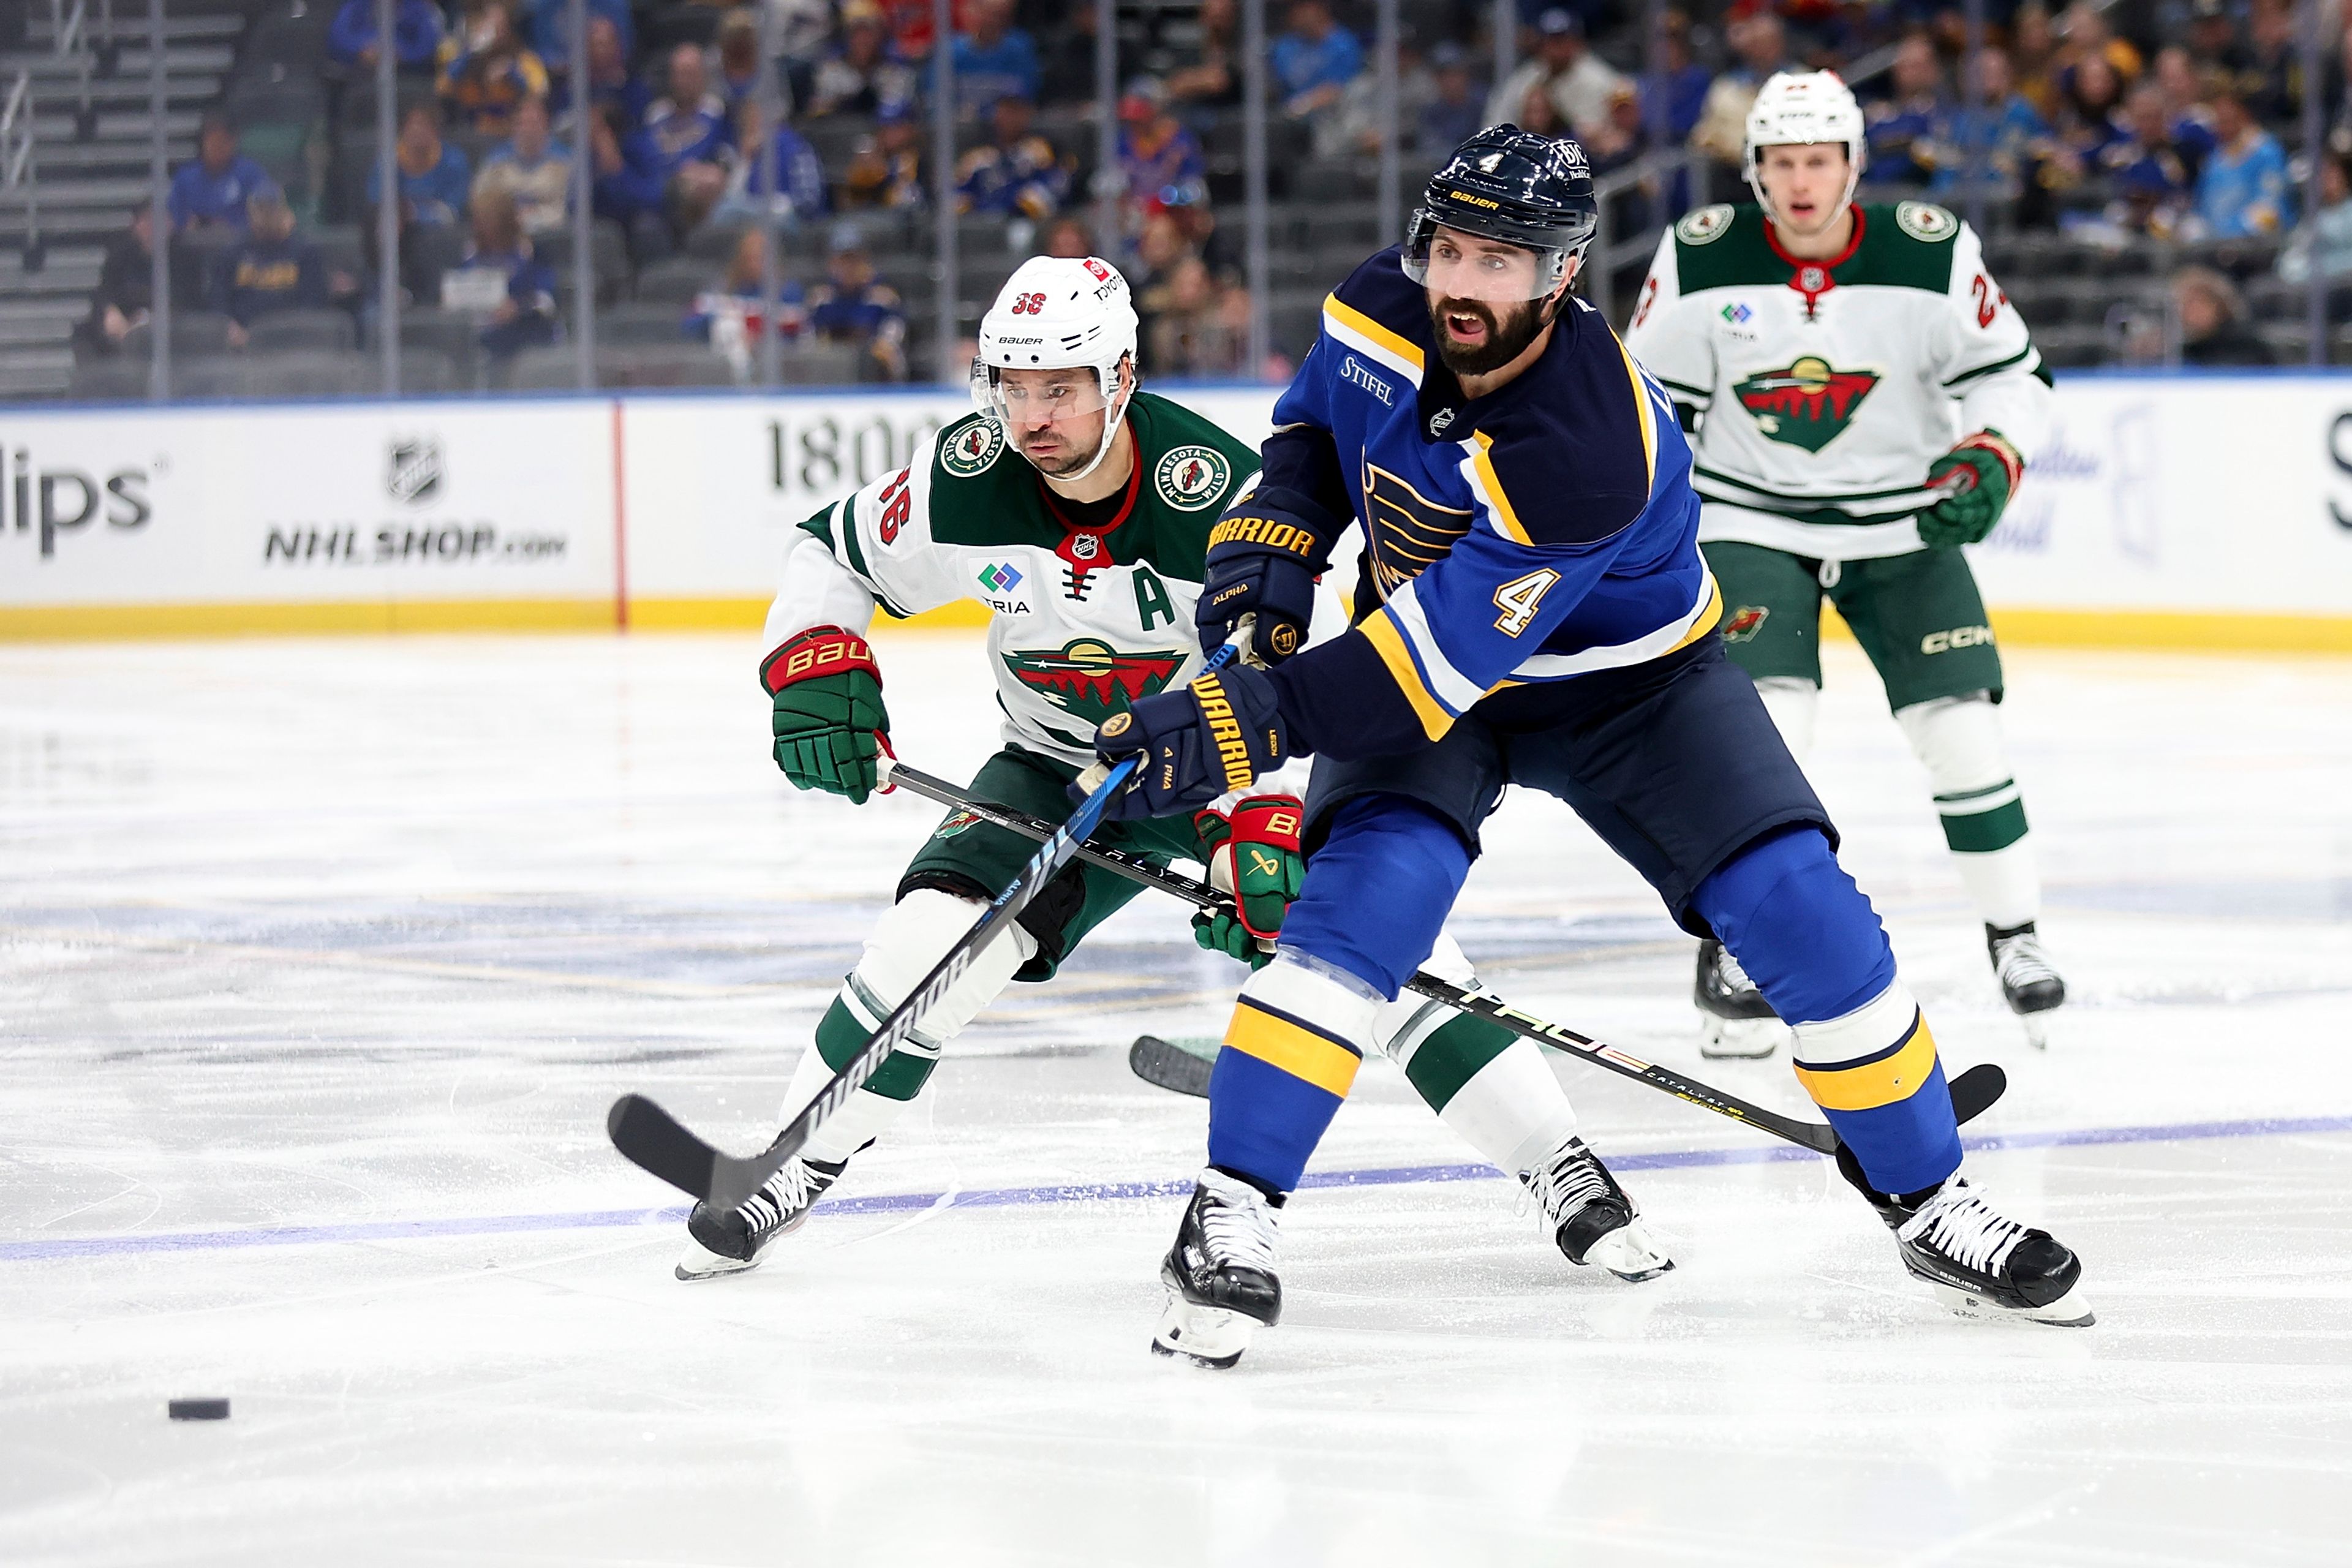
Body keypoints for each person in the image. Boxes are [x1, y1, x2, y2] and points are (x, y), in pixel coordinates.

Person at [1093, 125, 2092, 1368]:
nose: (1465, 280)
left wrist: (1254, 714)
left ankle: (1932, 1202)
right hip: (1435, 675)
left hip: (1631, 688)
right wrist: (1271, 547)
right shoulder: (1373, 308)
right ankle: (1231, 1207)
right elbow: (1310, 440)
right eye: (1451, 249)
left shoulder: (1589, 440)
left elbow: (1436, 661)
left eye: (1502, 262)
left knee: (1798, 906)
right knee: (1358, 915)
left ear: (1561, 275)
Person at [676, 256, 1668, 1298]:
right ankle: (789, 1163)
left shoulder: (1220, 494)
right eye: (1012, 386)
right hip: (1053, 767)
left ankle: (1561, 1166)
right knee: (931, 944)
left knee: (1376, 955)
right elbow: (829, 557)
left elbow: (1303, 673)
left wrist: (1266, 823)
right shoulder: (962, 477)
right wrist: (816, 665)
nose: (1032, 416)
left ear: (1123, 378)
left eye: (1060, 387)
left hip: (1224, 765)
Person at [1621, 72, 2067, 1060]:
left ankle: (2016, 933)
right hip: (1751, 516)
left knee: (1963, 733)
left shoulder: (1933, 251)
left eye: (1820, 160)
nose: (1802, 181)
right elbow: (1647, 406)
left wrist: (1992, 452)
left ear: (1854, 165)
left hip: (1907, 523)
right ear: (1754, 170)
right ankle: (1739, 950)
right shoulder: (1699, 260)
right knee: (1765, 733)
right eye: (1782, 161)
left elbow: (2011, 375)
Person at [447, 187, 559, 363]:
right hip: (476, 338)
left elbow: (546, 299)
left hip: (522, 336)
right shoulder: (466, 254)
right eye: (478, 220)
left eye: (488, 221)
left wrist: (518, 308)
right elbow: (452, 292)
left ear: (505, 220)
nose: (481, 227)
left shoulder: (530, 253)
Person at [211, 186, 328, 344]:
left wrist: (290, 334)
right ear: (250, 213)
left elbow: (313, 303)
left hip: (293, 340)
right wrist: (232, 327)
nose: (265, 216)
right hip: (244, 341)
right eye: (260, 210)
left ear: (283, 212)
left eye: (271, 210)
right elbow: (219, 301)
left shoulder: (304, 251)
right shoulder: (233, 252)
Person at [643, 44, 737, 236]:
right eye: (678, 74)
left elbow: (728, 160)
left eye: (690, 73)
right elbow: (646, 160)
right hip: (662, 198)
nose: (683, 81)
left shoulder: (718, 114)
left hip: (705, 200)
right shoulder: (655, 116)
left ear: (704, 76)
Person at [1485, 9, 1623, 140]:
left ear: (1577, 42)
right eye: (1550, 41)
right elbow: (1495, 124)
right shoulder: (1525, 79)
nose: (1556, 48)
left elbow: (1610, 133)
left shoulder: (1600, 80)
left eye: (1562, 40)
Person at [803, 222, 910, 379]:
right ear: (832, 264)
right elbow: (807, 343)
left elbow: (890, 343)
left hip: (873, 377)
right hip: (830, 375)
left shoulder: (884, 299)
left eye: (854, 260)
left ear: (865, 262)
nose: (849, 268)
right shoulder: (820, 300)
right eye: (843, 261)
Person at [436, 0, 551, 137]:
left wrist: (512, 73)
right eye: (489, 25)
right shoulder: (460, 57)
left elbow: (540, 94)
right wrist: (472, 52)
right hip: (470, 135)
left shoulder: (524, 60)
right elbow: (441, 89)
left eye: (499, 26)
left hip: (510, 137)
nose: (495, 31)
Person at [712, 96, 829, 228]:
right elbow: (733, 197)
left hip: (792, 225)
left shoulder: (797, 148)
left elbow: (809, 200)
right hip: (751, 225)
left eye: (755, 114)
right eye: (747, 115)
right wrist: (746, 160)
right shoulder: (747, 152)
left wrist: (776, 207)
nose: (749, 120)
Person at [2193, 88, 2294, 240]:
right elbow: (2201, 207)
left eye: (2228, 120)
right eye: (2219, 122)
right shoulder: (2214, 159)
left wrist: (2231, 229)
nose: (2223, 127)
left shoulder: (2266, 152)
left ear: (2244, 116)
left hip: (2260, 244)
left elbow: (2270, 207)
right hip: (2216, 245)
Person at [956, 94, 1071, 222]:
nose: (1008, 118)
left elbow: (1056, 185)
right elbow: (957, 193)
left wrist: (1017, 206)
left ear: (1027, 114)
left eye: (1014, 111)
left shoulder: (1044, 150)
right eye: (1003, 110)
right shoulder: (977, 155)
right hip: (981, 223)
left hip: (1026, 224)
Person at [472, 94, 573, 236]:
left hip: (552, 235)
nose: (528, 129)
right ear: (514, 125)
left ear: (546, 124)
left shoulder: (567, 160)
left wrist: (533, 215)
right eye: (522, 123)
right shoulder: (496, 161)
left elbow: (569, 209)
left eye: (534, 122)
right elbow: (480, 201)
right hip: (504, 236)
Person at [368, 101, 475, 230]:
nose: (417, 131)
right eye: (412, 125)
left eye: (424, 125)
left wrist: (415, 215)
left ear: (436, 131)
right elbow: (377, 204)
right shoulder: (387, 163)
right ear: (403, 130)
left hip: (441, 235)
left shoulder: (454, 162)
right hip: (399, 235)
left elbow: (454, 210)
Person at [807, 0, 919, 118]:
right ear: (847, 36)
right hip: (840, 133)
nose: (863, 40)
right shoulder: (829, 72)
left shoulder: (897, 74)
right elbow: (817, 116)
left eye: (869, 32)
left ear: (881, 35)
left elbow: (904, 119)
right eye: (856, 32)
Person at [1864, 34, 1947, 187]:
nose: (1908, 72)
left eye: (1916, 65)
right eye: (1902, 65)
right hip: (1876, 193)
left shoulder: (1946, 114)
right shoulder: (1876, 114)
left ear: (1933, 69)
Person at [1270, 0, 1363, 130]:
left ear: (1319, 8)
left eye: (1302, 7)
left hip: (1331, 121)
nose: (1295, 13)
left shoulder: (1343, 45)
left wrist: (1302, 106)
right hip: (1287, 122)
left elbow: (1337, 89)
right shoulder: (1285, 46)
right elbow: (1275, 86)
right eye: (1293, 8)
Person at [168, 114, 271, 232]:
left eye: (221, 143)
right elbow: (176, 219)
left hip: (242, 244)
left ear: (232, 142)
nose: (216, 149)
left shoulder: (251, 174)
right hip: (196, 244)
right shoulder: (185, 178)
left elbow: (266, 215)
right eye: (211, 143)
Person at [951, 0, 1041, 117]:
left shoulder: (1020, 49)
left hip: (1009, 128)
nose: (994, 21)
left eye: (1001, 16)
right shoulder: (952, 52)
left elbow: (1027, 96)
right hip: (961, 128)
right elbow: (935, 98)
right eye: (991, 14)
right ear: (976, 14)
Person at [2173, 265, 2275, 364]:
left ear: (2218, 305)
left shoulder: (2246, 346)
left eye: (2198, 303)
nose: (2192, 312)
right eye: (2186, 305)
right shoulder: (2179, 353)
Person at [328, 0, 445, 71]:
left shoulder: (417, 7)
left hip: (405, 76)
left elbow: (429, 43)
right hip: (358, 72)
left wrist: (402, 56)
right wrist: (361, 50)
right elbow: (338, 35)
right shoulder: (358, 4)